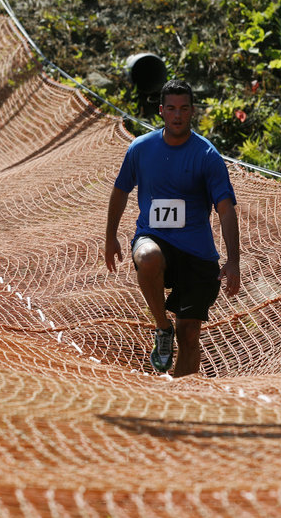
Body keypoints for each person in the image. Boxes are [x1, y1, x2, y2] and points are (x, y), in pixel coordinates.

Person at [104, 79, 240, 377]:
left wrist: (233, 260)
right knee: (148, 257)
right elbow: (120, 190)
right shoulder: (140, 148)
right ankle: (162, 328)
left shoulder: (207, 155)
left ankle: (181, 401)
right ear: (162, 111)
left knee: (190, 334)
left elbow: (226, 208)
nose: (178, 115)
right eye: (171, 109)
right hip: (154, 237)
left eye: (184, 109)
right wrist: (110, 236)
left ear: (192, 112)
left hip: (197, 252)